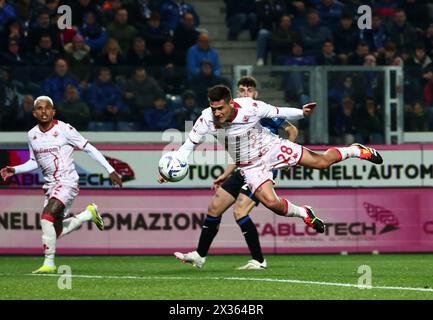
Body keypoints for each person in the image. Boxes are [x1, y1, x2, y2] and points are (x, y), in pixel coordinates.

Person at [158, 85, 383, 269]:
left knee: (321, 162)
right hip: (250, 166)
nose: (216, 113)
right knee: (272, 204)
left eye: (220, 108)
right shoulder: (205, 119)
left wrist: (301, 113)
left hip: (271, 147)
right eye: (213, 108)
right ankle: (304, 212)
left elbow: (277, 111)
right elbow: (188, 146)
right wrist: (172, 169)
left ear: (230, 103)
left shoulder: (250, 107)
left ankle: (356, 150)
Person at [179, 76, 298, 270]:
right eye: (241, 90)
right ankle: (199, 256)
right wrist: (226, 173)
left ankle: (259, 261)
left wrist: (285, 156)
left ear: (255, 94)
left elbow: (291, 130)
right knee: (215, 206)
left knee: (240, 210)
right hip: (244, 168)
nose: (245, 93)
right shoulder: (232, 117)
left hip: (262, 168)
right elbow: (241, 153)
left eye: (249, 90)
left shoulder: (262, 112)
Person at [0, 96, 123, 274]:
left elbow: (89, 148)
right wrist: (15, 169)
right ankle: (87, 214)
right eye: (40, 109)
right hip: (50, 185)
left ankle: (49, 264)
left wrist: (110, 170)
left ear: (53, 111)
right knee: (54, 231)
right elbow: (35, 162)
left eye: (47, 108)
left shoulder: (65, 129)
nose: (44, 111)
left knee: (46, 217)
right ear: (34, 113)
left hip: (67, 181)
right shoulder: (32, 135)